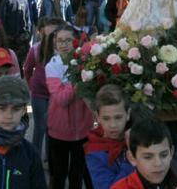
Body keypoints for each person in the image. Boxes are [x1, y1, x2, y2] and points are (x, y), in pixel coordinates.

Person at [46, 24, 94, 189]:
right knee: (58, 176)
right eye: (60, 40)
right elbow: (62, 98)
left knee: (77, 176)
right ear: (55, 43)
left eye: (68, 40)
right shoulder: (52, 66)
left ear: (76, 42)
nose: (64, 44)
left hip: (82, 130)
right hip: (59, 132)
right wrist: (77, 78)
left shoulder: (85, 62)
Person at [111, 118, 177, 189]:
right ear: (132, 158)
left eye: (163, 155)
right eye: (148, 157)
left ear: (171, 152)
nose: (158, 163)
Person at [24, 18, 62, 161]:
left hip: (56, 95)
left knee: (51, 127)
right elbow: (27, 69)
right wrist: (31, 84)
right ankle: (35, 157)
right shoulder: (36, 49)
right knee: (40, 126)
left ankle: (49, 157)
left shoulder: (62, 50)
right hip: (39, 93)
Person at [85, 84, 134, 189]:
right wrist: (130, 159)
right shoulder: (94, 153)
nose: (113, 125)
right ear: (97, 117)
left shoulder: (137, 136)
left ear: (128, 114)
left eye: (118, 117)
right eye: (106, 118)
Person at [0, 0, 34, 66]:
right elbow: (2, 20)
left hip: (22, 38)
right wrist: (5, 36)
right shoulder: (7, 1)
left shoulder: (24, 0)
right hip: (10, 38)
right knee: (10, 61)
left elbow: (28, 19)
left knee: (22, 62)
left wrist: (28, 34)